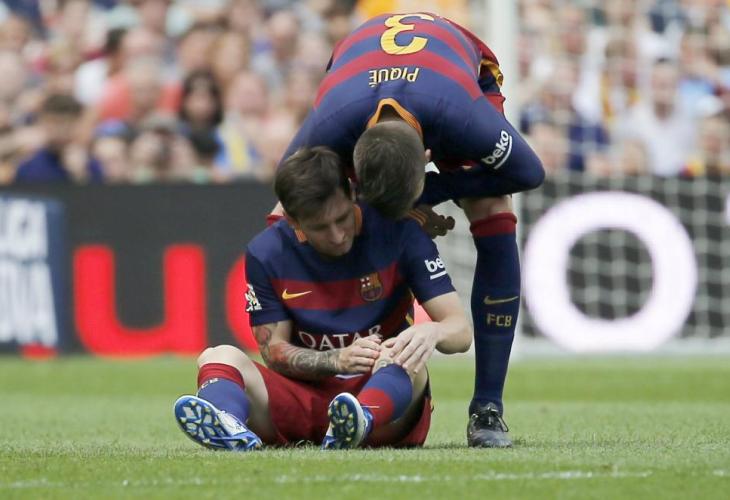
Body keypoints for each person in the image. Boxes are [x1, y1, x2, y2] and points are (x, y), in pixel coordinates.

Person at [277, 12, 545, 447]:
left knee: (493, 206)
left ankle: (488, 407)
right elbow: (284, 194)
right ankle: (317, 383)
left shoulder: (463, 117)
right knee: (301, 208)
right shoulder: (332, 122)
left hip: (457, 75)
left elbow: (530, 172)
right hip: (357, 71)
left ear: (427, 157)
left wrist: (435, 191)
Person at [173, 146, 472, 450]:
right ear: (293, 221)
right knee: (217, 356)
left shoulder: (400, 233)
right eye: (320, 227)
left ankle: (360, 419)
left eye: (342, 218)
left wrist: (432, 332)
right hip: (303, 400)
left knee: (406, 358)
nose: (337, 235)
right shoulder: (266, 253)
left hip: (384, 400)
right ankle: (229, 426)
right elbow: (273, 352)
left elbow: (460, 331)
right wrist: (336, 359)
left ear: (352, 194)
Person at [14, 93, 103, 183]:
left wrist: (80, 175)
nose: (60, 131)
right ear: (43, 123)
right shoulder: (29, 167)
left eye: (67, 124)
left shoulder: (90, 165)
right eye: (55, 124)